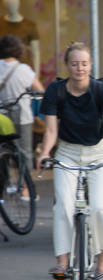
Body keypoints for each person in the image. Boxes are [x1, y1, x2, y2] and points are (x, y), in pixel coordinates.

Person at [36, 42, 103, 280]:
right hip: (67, 153)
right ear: (67, 66)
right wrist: (44, 153)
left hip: (99, 153)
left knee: (99, 207)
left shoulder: (100, 91)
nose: (80, 68)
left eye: (84, 63)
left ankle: (102, 260)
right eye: (74, 64)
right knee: (63, 204)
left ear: (91, 65)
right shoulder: (56, 90)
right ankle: (62, 260)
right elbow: (51, 130)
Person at [0, 34, 43, 191]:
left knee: (2, 150)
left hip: (2, 117)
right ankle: (25, 188)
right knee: (24, 152)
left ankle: (3, 188)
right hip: (22, 116)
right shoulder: (23, 69)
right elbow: (40, 91)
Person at [0, 0, 39, 75]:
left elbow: (36, 52)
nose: (11, 4)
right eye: (7, 1)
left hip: (22, 72)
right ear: (4, 3)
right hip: (2, 72)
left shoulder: (29, 25)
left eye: (14, 1)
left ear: (19, 2)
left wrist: (36, 75)